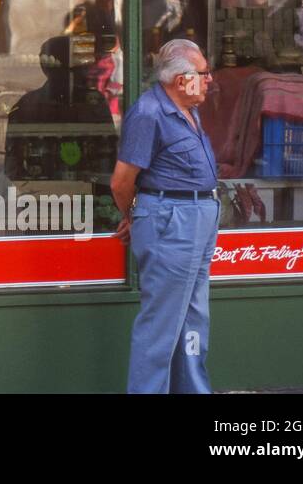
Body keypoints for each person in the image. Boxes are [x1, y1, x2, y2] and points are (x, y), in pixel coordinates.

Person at [111, 39, 220, 394]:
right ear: (179, 79)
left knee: (193, 319)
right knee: (161, 326)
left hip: (197, 217)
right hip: (171, 219)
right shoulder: (148, 113)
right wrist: (134, 216)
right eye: (202, 74)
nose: (209, 80)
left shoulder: (188, 108)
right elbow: (121, 181)